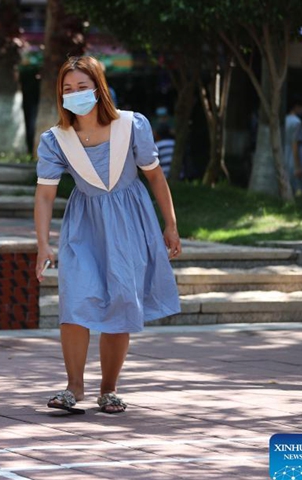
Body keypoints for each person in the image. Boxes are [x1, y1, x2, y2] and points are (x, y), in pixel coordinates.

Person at [34, 56, 181, 414]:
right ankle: (73, 388)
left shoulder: (132, 125)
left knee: (120, 300)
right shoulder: (56, 140)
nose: (75, 94)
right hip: (84, 224)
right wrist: (42, 244)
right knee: (75, 300)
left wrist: (171, 223)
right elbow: (44, 194)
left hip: (130, 219)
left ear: (99, 88)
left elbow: (155, 176)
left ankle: (109, 389)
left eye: (82, 86)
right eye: (67, 89)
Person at [284, 94, 302, 198]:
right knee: (300, 184)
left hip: (285, 154)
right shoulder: (297, 123)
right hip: (294, 155)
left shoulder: (285, 119)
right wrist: (298, 166)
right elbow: (295, 144)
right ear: (297, 107)